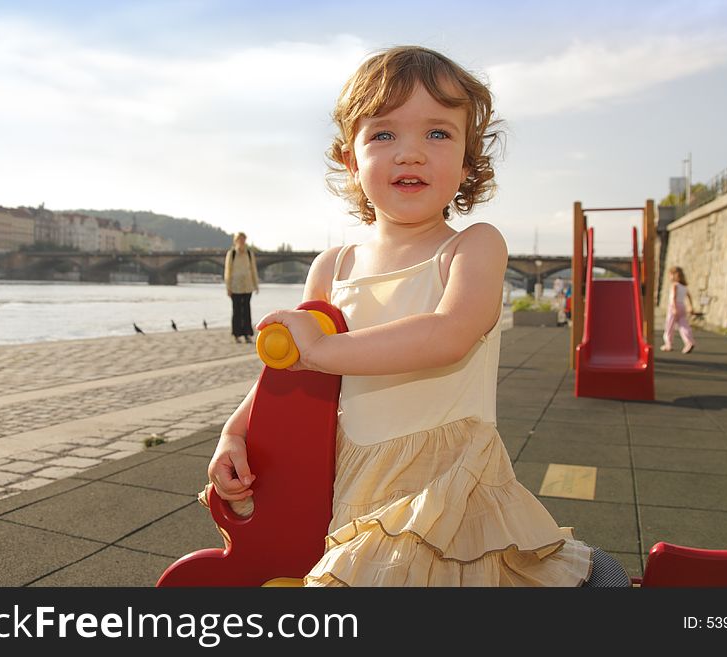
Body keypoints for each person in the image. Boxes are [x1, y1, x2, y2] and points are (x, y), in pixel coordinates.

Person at [206, 46, 595, 586]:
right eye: (384, 134)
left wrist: (320, 349)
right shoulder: (332, 267)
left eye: (437, 134)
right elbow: (285, 373)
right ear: (351, 159)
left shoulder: (472, 249)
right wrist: (235, 434)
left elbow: (449, 333)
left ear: (466, 161)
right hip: (355, 480)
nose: (410, 153)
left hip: (447, 485)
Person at [223, 231, 259, 344]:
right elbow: (227, 270)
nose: (242, 241)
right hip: (235, 286)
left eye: (243, 239)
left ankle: (247, 334)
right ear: (236, 241)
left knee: (247, 310)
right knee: (237, 311)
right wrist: (228, 286)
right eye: (240, 239)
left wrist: (256, 285)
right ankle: (237, 334)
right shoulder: (232, 253)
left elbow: (253, 269)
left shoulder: (249, 253)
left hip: (247, 286)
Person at [661, 266, 695, 354]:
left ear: (674, 275)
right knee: (683, 325)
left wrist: (674, 308)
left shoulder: (675, 285)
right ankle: (689, 342)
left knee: (669, 326)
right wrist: (691, 306)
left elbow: (674, 298)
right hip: (682, 305)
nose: (669, 277)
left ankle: (668, 344)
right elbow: (689, 296)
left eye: (670, 275)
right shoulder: (684, 286)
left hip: (673, 306)